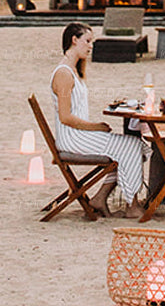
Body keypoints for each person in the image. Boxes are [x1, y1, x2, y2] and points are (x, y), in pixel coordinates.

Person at [50, 22, 146, 218]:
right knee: (131, 146)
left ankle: (101, 198)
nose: (90, 46)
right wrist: (96, 127)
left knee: (131, 145)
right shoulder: (63, 74)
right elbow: (65, 117)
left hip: (80, 134)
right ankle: (132, 204)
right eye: (87, 41)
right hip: (72, 139)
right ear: (74, 40)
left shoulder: (74, 69)